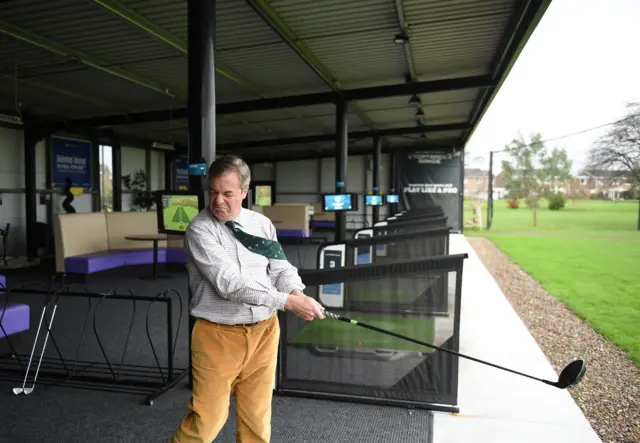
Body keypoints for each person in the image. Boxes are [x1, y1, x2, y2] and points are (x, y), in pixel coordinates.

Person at [170, 154, 326, 443]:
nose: (218, 201)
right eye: (213, 192)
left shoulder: (262, 224)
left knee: (257, 417)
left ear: (244, 191)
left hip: (265, 332)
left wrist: (296, 291)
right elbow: (230, 284)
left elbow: (280, 268)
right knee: (207, 421)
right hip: (218, 336)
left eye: (228, 193)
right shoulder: (200, 230)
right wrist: (288, 303)